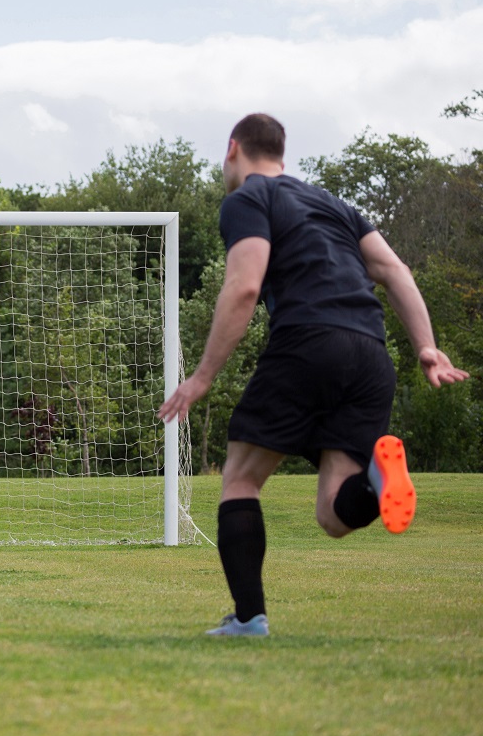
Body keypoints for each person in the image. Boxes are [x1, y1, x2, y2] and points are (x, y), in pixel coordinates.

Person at [157, 114, 470, 637]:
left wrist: (203, 375)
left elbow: (243, 287)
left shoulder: (248, 199)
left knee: (239, 478)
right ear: (282, 152)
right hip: (371, 353)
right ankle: (377, 479)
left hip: (308, 340)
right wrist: (428, 348)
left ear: (233, 149)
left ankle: (249, 617)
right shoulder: (336, 205)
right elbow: (395, 271)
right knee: (332, 515)